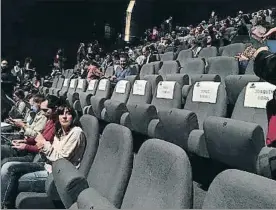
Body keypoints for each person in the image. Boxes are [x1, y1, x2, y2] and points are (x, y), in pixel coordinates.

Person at [1, 103, 86, 209]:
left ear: (73, 117)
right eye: (61, 114)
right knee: (8, 167)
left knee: (10, 180)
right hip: (47, 165)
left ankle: (5, 206)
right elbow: (49, 151)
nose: (64, 116)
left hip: (56, 175)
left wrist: (44, 144)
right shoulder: (60, 131)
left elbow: (61, 160)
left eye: (68, 114)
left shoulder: (76, 133)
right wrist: (42, 146)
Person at [1, 95, 60, 162]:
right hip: (30, 145)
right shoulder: (50, 120)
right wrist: (25, 141)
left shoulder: (54, 124)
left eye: (45, 110)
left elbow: (39, 141)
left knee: (5, 160)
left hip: (35, 154)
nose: (43, 112)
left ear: (55, 109)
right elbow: (37, 138)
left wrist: (25, 145)